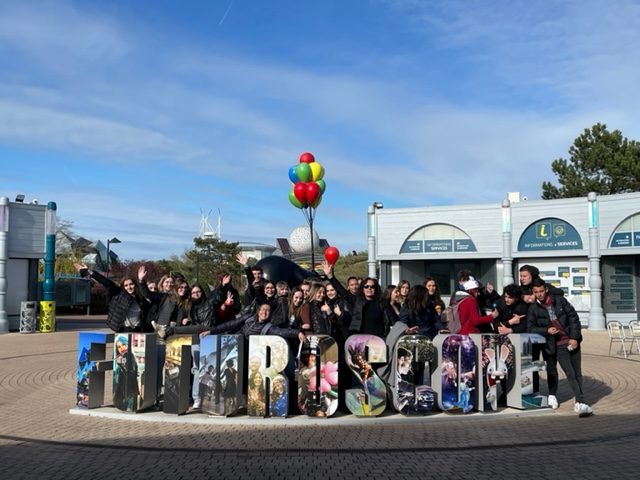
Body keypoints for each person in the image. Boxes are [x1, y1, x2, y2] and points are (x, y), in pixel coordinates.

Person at [527, 278, 592, 416]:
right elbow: (530, 328)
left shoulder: (560, 301)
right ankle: (573, 400)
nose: (539, 294)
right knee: (566, 372)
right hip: (554, 344)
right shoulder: (533, 308)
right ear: (533, 292)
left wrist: (575, 338)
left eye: (541, 291)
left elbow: (574, 318)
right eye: (536, 292)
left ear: (546, 290)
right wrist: (546, 330)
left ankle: (580, 402)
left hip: (571, 341)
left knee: (576, 372)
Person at [74, 263, 151, 333]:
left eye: (131, 284)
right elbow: (107, 282)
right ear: (123, 287)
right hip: (123, 330)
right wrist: (90, 272)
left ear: (135, 285)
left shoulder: (141, 299)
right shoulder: (120, 294)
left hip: (138, 330)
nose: (129, 287)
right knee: (123, 349)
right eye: (126, 285)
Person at [322, 261, 387, 337]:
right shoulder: (358, 301)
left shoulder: (382, 303)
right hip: (359, 339)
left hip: (377, 340)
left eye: (372, 287)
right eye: (366, 286)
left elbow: (391, 320)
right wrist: (330, 276)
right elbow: (342, 292)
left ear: (376, 288)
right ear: (362, 288)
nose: (369, 289)